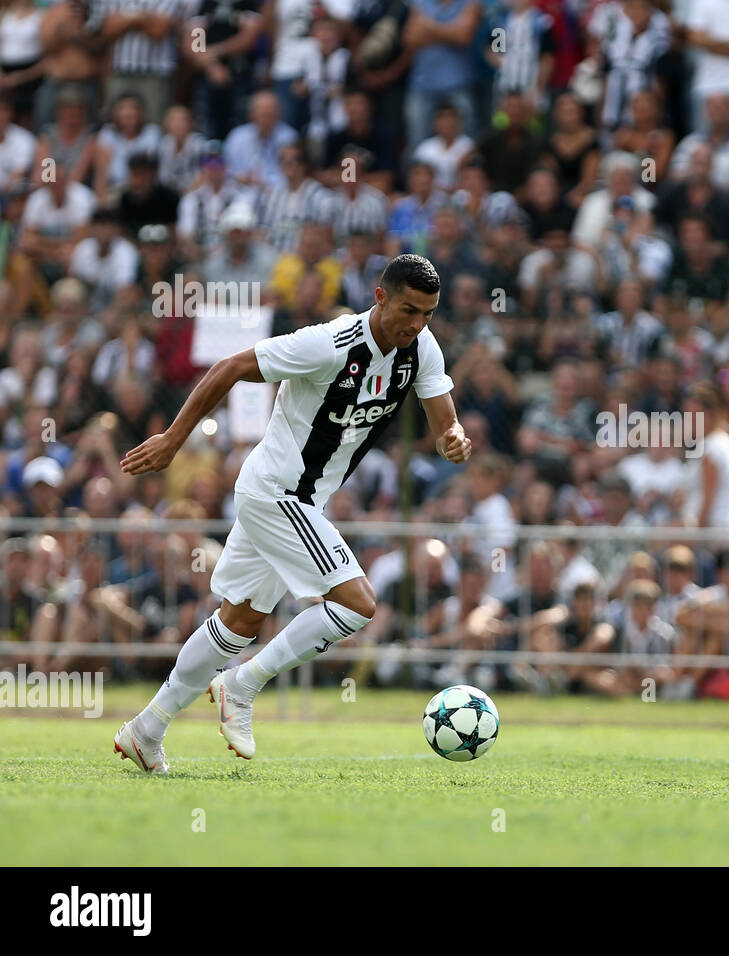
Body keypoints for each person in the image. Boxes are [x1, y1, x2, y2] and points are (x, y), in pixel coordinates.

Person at [113, 255, 472, 773]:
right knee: (357, 604)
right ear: (381, 297)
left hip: (295, 499)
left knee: (239, 621)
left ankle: (147, 728)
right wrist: (173, 439)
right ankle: (244, 682)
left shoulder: (422, 350)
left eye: (428, 315)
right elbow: (231, 367)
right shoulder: (328, 344)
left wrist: (453, 440)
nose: (416, 324)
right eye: (409, 310)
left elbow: (445, 425)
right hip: (277, 493)